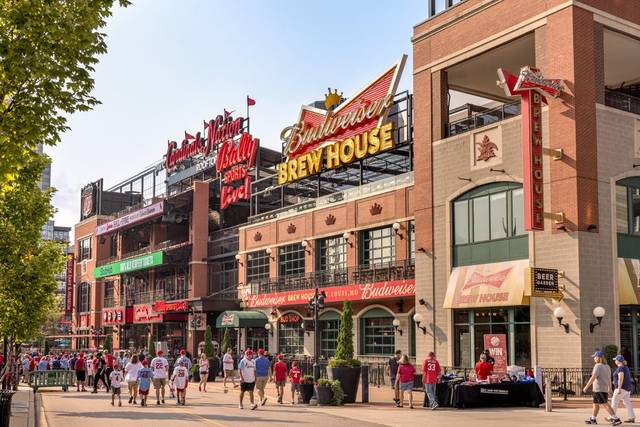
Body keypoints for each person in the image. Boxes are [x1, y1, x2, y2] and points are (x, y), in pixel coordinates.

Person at [583, 350, 621, 425]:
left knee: (605, 404)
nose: (594, 358)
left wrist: (586, 386)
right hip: (603, 389)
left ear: (598, 357)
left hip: (598, 389)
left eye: (595, 357)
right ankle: (593, 419)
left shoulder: (597, 366)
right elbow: (609, 378)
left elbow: (593, 377)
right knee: (595, 404)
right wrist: (609, 388)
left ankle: (615, 418)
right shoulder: (607, 366)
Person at [607, 355, 635, 424]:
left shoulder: (620, 368)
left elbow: (620, 378)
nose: (615, 361)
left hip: (621, 388)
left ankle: (611, 417)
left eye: (615, 360)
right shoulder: (625, 367)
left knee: (614, 401)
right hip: (627, 388)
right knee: (627, 403)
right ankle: (631, 417)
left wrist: (619, 388)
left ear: (618, 361)